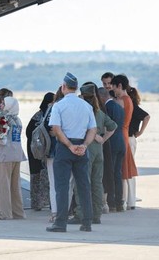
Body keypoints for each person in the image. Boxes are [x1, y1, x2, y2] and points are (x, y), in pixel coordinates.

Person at [46, 72, 97, 233]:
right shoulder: (86, 106)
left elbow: (56, 128)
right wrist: (84, 145)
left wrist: (69, 145)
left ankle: (60, 223)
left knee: (62, 187)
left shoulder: (59, 106)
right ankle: (87, 222)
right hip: (82, 147)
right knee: (84, 186)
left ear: (63, 87)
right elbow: (93, 129)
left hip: (65, 148)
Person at [70, 83, 116, 225]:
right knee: (97, 183)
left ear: (83, 96)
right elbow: (113, 126)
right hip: (98, 151)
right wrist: (102, 138)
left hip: (86, 148)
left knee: (82, 182)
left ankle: (81, 214)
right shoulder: (99, 112)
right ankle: (96, 214)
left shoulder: (82, 111)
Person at [0, 96, 27, 220]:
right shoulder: (18, 120)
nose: (1, 105)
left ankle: (4, 213)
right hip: (17, 154)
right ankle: (17, 212)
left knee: (1, 185)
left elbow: (2, 139)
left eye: (3, 103)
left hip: (5, 155)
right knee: (14, 186)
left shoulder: (3, 119)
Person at [111, 74, 139, 210]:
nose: (113, 91)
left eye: (114, 87)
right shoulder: (129, 100)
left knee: (121, 171)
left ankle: (120, 201)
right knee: (124, 171)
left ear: (120, 86)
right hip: (125, 135)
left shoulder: (121, 100)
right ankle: (126, 201)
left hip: (120, 135)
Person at [97, 86, 125, 212]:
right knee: (118, 174)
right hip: (121, 142)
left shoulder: (107, 108)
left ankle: (111, 202)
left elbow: (108, 126)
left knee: (110, 173)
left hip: (112, 143)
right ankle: (119, 203)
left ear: (102, 97)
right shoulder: (119, 106)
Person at [26, 92, 54, 212]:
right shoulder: (48, 116)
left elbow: (28, 132)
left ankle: (36, 203)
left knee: (36, 174)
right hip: (43, 149)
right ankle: (46, 202)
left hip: (34, 148)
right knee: (44, 175)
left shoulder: (36, 115)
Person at [45, 87, 64, 223]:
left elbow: (49, 128)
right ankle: (64, 211)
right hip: (68, 149)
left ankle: (55, 212)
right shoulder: (76, 106)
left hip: (52, 150)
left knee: (53, 183)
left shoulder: (53, 107)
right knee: (67, 183)